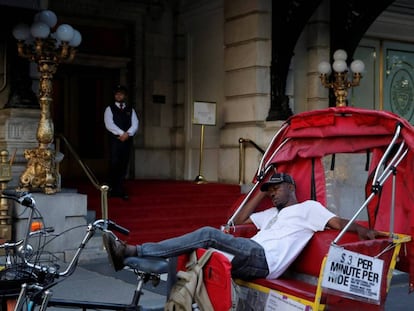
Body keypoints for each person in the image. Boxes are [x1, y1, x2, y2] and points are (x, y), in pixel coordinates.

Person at [103, 172, 387, 280]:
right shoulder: (271, 215)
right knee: (196, 261)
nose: (273, 193)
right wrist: (260, 193)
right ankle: (131, 262)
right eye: (270, 191)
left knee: (206, 234)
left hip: (264, 260)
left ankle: (132, 250)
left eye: (276, 189)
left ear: (290, 187)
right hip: (250, 252)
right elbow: (238, 222)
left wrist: (360, 229)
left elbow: (337, 222)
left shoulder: (308, 208)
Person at [104, 85, 139, 200]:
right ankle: (110, 188)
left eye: (121, 94)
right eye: (117, 94)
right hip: (115, 140)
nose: (119, 96)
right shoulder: (109, 109)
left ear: (125, 95)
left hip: (126, 141)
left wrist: (127, 134)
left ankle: (119, 189)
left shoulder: (130, 109)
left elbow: (135, 123)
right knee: (114, 163)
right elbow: (109, 124)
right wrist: (121, 133)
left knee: (124, 164)